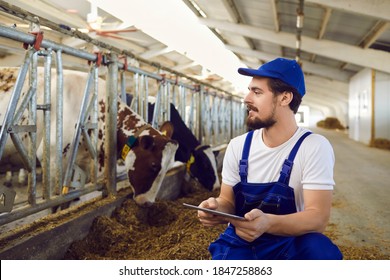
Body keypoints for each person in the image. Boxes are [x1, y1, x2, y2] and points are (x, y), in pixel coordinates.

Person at [197, 58, 343, 260]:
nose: (247, 98)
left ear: (285, 98)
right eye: (249, 90)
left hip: (291, 242)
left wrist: (268, 223)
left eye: (257, 92)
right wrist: (216, 209)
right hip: (242, 242)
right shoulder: (238, 146)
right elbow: (227, 201)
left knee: (319, 250)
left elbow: (318, 218)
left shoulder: (313, 147)